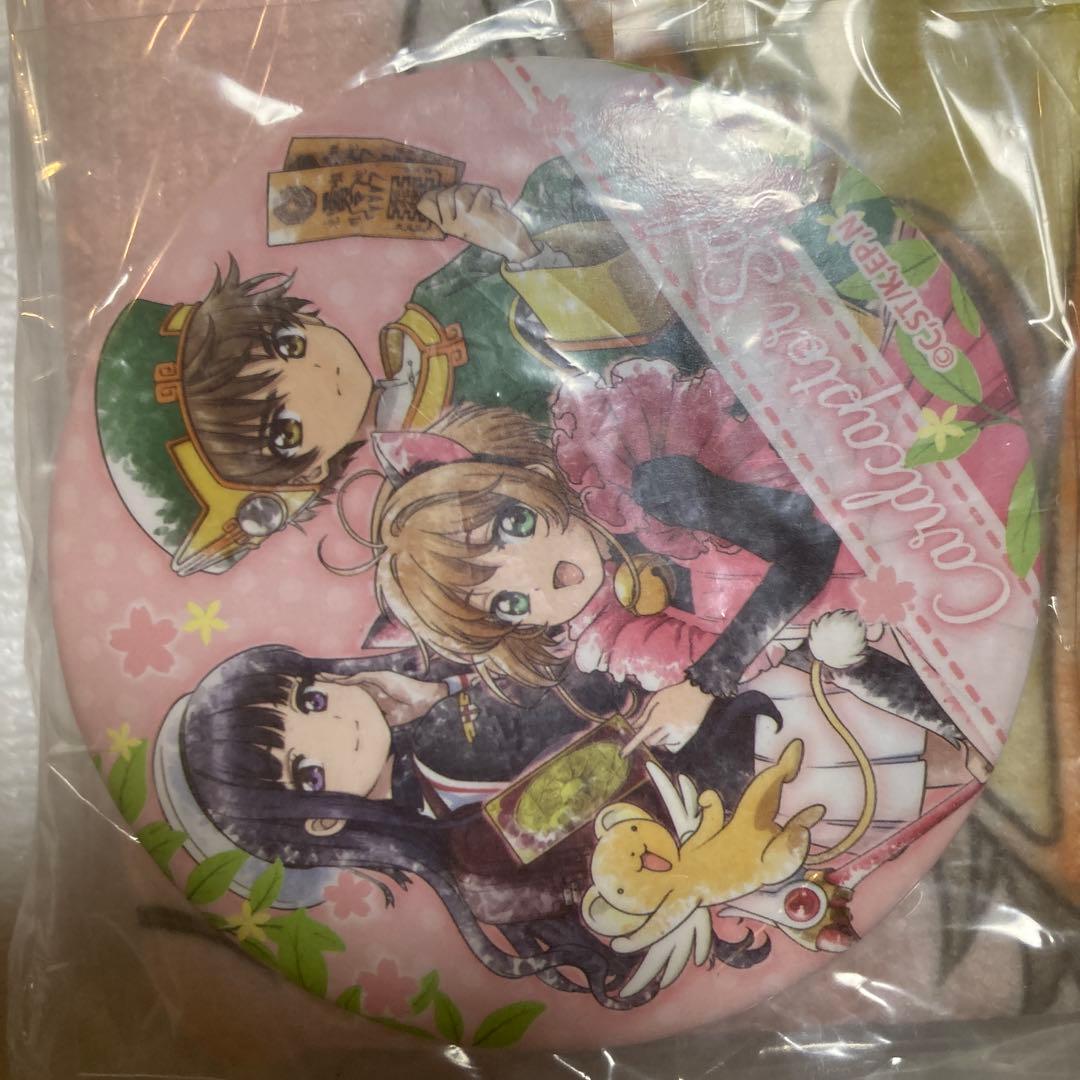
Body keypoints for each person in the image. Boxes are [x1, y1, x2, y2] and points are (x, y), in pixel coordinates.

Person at [96, 156, 706, 573]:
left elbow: (558, 195)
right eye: (285, 430)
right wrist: (521, 250)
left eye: (285, 344)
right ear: (301, 482)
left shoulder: (429, 303)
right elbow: (614, 411)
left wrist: (501, 218)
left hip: (687, 237)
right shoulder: (450, 465)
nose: (315, 374)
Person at [172, 644, 777, 1007]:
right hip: (724, 806)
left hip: (726, 731)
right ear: (323, 821)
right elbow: (617, 767)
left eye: (310, 701)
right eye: (307, 773)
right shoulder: (472, 860)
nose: (336, 728)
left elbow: (580, 687)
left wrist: (439, 688)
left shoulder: (438, 724)